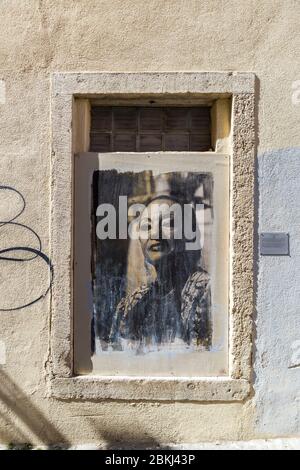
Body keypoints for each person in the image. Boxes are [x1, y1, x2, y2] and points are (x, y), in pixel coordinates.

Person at [110, 195, 211, 353]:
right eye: (146, 227)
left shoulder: (205, 290)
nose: (155, 234)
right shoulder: (134, 302)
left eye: (169, 224)